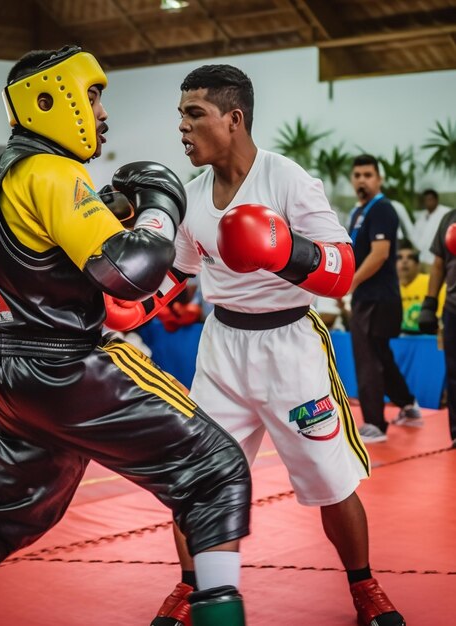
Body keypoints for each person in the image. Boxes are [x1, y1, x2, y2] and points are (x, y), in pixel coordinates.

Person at [0, 46, 252, 626]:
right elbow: (128, 271)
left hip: (8, 373)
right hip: (64, 366)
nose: (101, 113)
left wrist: (108, 210)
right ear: (50, 99)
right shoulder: (51, 171)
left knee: (3, 517)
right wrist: (162, 205)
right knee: (216, 470)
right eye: (93, 95)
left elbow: (69, 270)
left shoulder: (5, 174)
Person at [104, 65, 404, 626]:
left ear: (233, 118)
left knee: (331, 482)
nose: (183, 129)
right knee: (197, 479)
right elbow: (179, 273)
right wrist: (128, 305)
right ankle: (194, 588)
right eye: (180, 116)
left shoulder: (287, 179)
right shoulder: (189, 197)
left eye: (194, 115)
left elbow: (339, 270)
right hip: (222, 352)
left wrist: (282, 250)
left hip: (291, 348)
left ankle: (365, 587)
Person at [348, 156, 423, 437]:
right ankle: (407, 404)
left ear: (379, 179)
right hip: (371, 296)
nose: (362, 180)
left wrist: (351, 283)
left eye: (368, 174)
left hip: (377, 297)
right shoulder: (359, 212)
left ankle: (375, 424)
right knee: (379, 354)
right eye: (357, 175)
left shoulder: (382, 209)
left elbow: (379, 254)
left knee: (368, 357)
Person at [419, 209, 456, 448]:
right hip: (453, 308)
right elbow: (439, 264)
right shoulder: (450, 218)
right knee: (454, 373)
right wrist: (429, 304)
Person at [397, 239, 444, 335]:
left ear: (418, 264)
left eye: (410, 257)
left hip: (427, 338)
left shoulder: (431, 283)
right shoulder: (389, 288)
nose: (404, 261)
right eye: (399, 258)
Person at [411, 189, 452, 269]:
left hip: (437, 258)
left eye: (430, 199)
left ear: (436, 200)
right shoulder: (422, 216)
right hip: (421, 258)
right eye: (425, 200)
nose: (428, 202)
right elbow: (415, 235)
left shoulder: (446, 213)